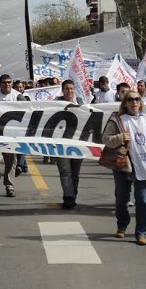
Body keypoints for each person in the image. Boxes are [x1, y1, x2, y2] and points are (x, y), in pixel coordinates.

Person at [102, 90, 146, 246]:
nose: (134, 102)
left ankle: (141, 232)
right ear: (125, 103)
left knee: (143, 200)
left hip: (144, 165)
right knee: (122, 199)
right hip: (124, 164)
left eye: (137, 99)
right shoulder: (118, 120)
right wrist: (121, 137)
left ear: (140, 102)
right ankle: (122, 224)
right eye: (130, 99)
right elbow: (106, 139)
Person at [0, 74, 25, 197]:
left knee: (11, 160)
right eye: (4, 82)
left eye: (9, 82)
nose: (7, 84)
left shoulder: (17, 96)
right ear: (0, 84)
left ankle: (9, 185)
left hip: (11, 135)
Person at [55, 80, 84, 209]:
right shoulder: (57, 103)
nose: (69, 91)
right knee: (65, 171)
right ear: (62, 90)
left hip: (77, 143)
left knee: (75, 172)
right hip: (61, 143)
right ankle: (68, 197)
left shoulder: (81, 103)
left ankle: (73, 195)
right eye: (67, 89)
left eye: (72, 88)